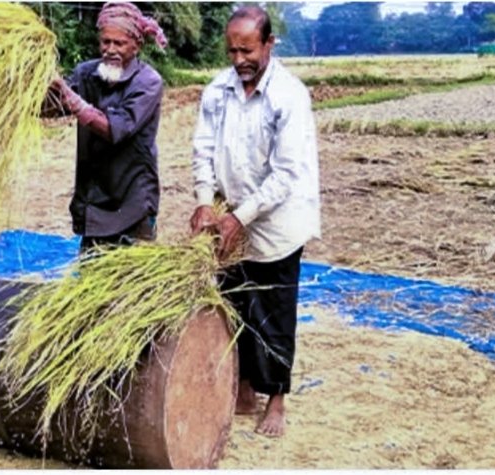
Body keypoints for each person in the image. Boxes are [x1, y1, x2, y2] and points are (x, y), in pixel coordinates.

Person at [189, 6, 321, 437]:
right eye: (232, 50)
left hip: (277, 221)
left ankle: (276, 400)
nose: (239, 59)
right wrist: (207, 204)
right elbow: (203, 150)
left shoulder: (289, 95)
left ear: (268, 44)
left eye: (248, 49)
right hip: (231, 215)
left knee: (273, 311)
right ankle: (243, 389)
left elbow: (285, 174)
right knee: (234, 303)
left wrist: (240, 218)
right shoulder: (218, 91)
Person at [47, 2, 166, 253]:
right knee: (90, 282)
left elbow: (114, 130)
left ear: (137, 46)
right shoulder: (87, 73)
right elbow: (52, 106)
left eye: (119, 44)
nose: (110, 50)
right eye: (105, 42)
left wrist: (73, 101)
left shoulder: (148, 82)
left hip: (130, 206)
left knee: (130, 286)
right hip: (93, 203)